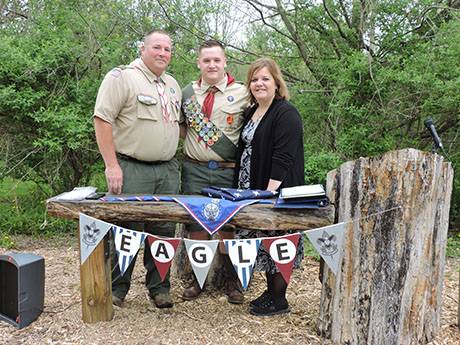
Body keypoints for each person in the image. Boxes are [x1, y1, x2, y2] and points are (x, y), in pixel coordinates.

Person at [93, 30, 181, 309]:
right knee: (126, 229)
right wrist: (111, 165)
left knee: (164, 231)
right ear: (142, 48)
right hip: (132, 167)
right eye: (157, 47)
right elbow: (102, 119)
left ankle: (160, 288)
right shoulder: (122, 77)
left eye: (167, 49)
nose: (162, 53)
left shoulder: (172, 84)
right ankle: (118, 288)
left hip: (167, 170)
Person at [235, 57, 305, 316]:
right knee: (263, 242)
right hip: (250, 189)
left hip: (275, 191)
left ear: (277, 82)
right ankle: (271, 292)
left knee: (277, 240)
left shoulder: (286, 113)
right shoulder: (251, 112)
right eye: (254, 79)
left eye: (265, 78)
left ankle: (279, 300)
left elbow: (283, 157)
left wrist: (269, 192)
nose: (259, 83)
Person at [180, 40, 249, 303]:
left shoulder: (242, 92)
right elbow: (181, 128)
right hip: (194, 169)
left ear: (225, 63)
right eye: (206, 60)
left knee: (228, 226)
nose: (211, 65)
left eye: (216, 60)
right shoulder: (186, 93)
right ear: (199, 62)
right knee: (196, 225)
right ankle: (198, 280)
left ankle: (231, 280)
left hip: (227, 171)